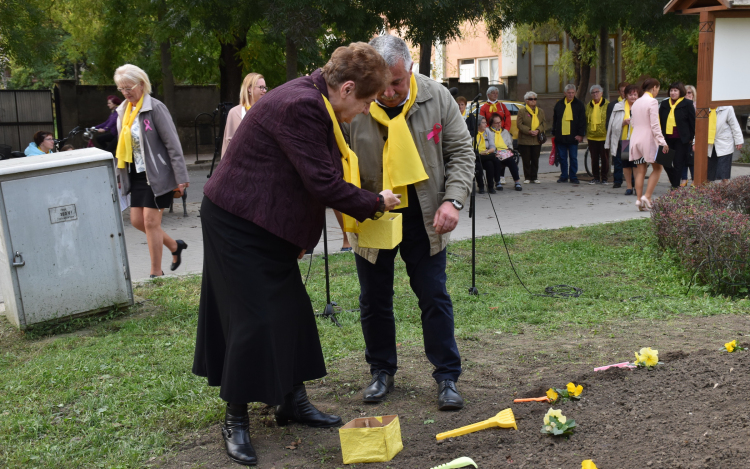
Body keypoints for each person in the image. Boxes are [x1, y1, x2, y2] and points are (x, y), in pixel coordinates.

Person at [193, 42, 400, 466]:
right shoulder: (302, 106)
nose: (365, 110)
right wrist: (374, 202)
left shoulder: (314, 97)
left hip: (264, 222)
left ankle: (292, 402)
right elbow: (322, 182)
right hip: (236, 221)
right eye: (365, 101)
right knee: (254, 318)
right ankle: (235, 419)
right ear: (345, 88)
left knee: (292, 311)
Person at [344, 35, 474, 412]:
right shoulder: (357, 102)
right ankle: (381, 370)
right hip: (372, 211)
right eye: (381, 84)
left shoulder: (437, 97)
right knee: (374, 299)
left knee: (434, 296)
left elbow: (461, 152)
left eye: (396, 82)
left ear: (411, 69)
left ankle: (447, 375)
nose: (387, 92)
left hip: (425, 213)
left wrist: (452, 201)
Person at [113, 64, 190, 278]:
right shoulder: (123, 111)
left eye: (129, 87)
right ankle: (175, 246)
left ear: (142, 84)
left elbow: (173, 144)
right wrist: (121, 176)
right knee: (137, 221)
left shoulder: (155, 108)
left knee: (150, 222)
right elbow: (121, 145)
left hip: (158, 174)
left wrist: (181, 178)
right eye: (121, 88)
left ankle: (156, 273)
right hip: (136, 174)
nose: (126, 92)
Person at [630, 78, 669, 211]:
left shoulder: (635, 103)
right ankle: (647, 196)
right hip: (648, 139)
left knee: (640, 170)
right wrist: (662, 142)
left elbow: (633, 123)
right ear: (654, 87)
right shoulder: (652, 101)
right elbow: (654, 125)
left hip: (635, 138)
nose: (657, 91)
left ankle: (639, 201)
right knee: (658, 168)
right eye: (658, 88)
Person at [658, 82, 695, 189]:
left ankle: (675, 186)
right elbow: (659, 121)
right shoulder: (664, 104)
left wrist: (691, 137)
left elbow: (692, 122)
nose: (673, 93)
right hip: (666, 139)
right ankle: (675, 180)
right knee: (664, 161)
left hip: (681, 139)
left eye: (675, 90)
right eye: (671, 90)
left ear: (680, 92)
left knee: (678, 163)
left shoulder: (687, 103)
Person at [221, 72, 267, 158]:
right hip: (240, 165)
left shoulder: (267, 112)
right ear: (249, 88)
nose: (264, 91)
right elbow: (227, 144)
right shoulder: (234, 113)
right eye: (261, 87)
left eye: (265, 88)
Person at [605, 84, 640, 196]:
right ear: (626, 95)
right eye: (631, 95)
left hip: (638, 139)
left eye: (635, 94)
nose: (633, 97)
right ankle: (629, 187)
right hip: (625, 140)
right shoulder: (619, 106)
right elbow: (613, 125)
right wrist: (623, 123)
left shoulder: (641, 106)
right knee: (626, 164)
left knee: (636, 164)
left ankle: (637, 186)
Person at [552, 84, 586, 184]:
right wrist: (554, 132)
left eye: (572, 93)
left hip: (573, 136)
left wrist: (581, 134)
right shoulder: (559, 104)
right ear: (565, 93)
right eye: (569, 93)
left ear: (575, 93)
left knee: (573, 157)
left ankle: (573, 176)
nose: (571, 94)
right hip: (561, 136)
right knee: (562, 158)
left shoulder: (579, 104)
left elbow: (582, 121)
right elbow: (555, 119)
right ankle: (563, 176)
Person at [516, 91, 546, 184]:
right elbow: (519, 124)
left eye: (535, 99)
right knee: (526, 159)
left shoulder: (540, 111)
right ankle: (527, 177)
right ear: (526, 100)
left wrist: (538, 130)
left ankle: (534, 176)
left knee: (535, 159)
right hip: (525, 139)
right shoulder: (522, 111)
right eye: (531, 99)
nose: (533, 101)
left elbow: (544, 123)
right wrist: (529, 130)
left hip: (537, 139)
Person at [706, 106, 743, 182]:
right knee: (709, 175)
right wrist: (694, 142)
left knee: (724, 174)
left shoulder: (728, 108)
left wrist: (738, 141)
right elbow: (698, 128)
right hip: (709, 144)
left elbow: (734, 125)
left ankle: (726, 191)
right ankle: (708, 192)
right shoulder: (704, 108)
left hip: (724, 144)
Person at [489, 112, 523, 191]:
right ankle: (497, 182)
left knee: (511, 161)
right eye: (496, 123)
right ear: (492, 123)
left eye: (500, 122)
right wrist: (494, 152)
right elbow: (486, 145)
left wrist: (509, 150)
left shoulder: (505, 132)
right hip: (494, 152)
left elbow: (510, 144)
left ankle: (517, 182)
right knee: (497, 161)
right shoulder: (488, 132)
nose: (499, 124)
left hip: (505, 152)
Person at [606, 82, 629, 189]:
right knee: (617, 160)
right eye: (623, 91)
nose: (625, 93)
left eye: (627, 91)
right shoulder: (613, 105)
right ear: (619, 92)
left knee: (628, 160)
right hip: (617, 136)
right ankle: (617, 180)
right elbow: (609, 122)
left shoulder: (632, 104)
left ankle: (631, 181)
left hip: (628, 137)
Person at [586, 85, 610, 184]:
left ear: (601, 93)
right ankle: (595, 177)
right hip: (592, 136)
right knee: (594, 158)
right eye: (593, 92)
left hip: (604, 136)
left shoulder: (607, 105)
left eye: (597, 92)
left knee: (605, 158)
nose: (595, 94)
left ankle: (604, 178)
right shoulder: (588, 105)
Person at [475, 116, 500, 194]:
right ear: (478, 124)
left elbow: (493, 146)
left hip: (486, 154)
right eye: (483, 122)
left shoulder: (487, 132)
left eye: (486, 122)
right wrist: (479, 153)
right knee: (478, 166)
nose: (486, 124)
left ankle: (490, 186)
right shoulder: (473, 133)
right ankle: (481, 186)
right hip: (476, 155)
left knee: (490, 164)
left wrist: (488, 151)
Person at [683, 84, 697, 186]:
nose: (687, 95)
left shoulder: (697, 106)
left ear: (693, 94)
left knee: (692, 159)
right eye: (685, 93)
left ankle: (694, 179)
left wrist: (694, 139)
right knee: (683, 158)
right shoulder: (681, 105)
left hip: (694, 137)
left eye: (689, 92)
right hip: (683, 136)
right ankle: (684, 179)